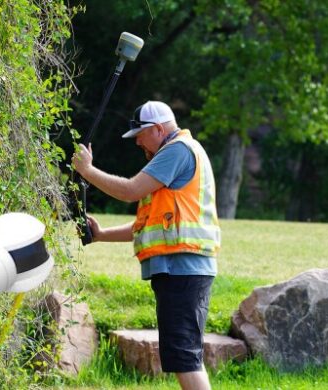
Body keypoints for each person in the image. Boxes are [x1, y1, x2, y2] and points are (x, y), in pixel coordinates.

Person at [72, 100, 220, 390]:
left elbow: (130, 191)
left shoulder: (177, 150)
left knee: (185, 358)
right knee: (184, 356)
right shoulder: (177, 154)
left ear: (158, 129)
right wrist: (101, 235)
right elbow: (146, 226)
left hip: (183, 269)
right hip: (181, 269)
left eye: (140, 135)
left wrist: (88, 171)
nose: (138, 142)